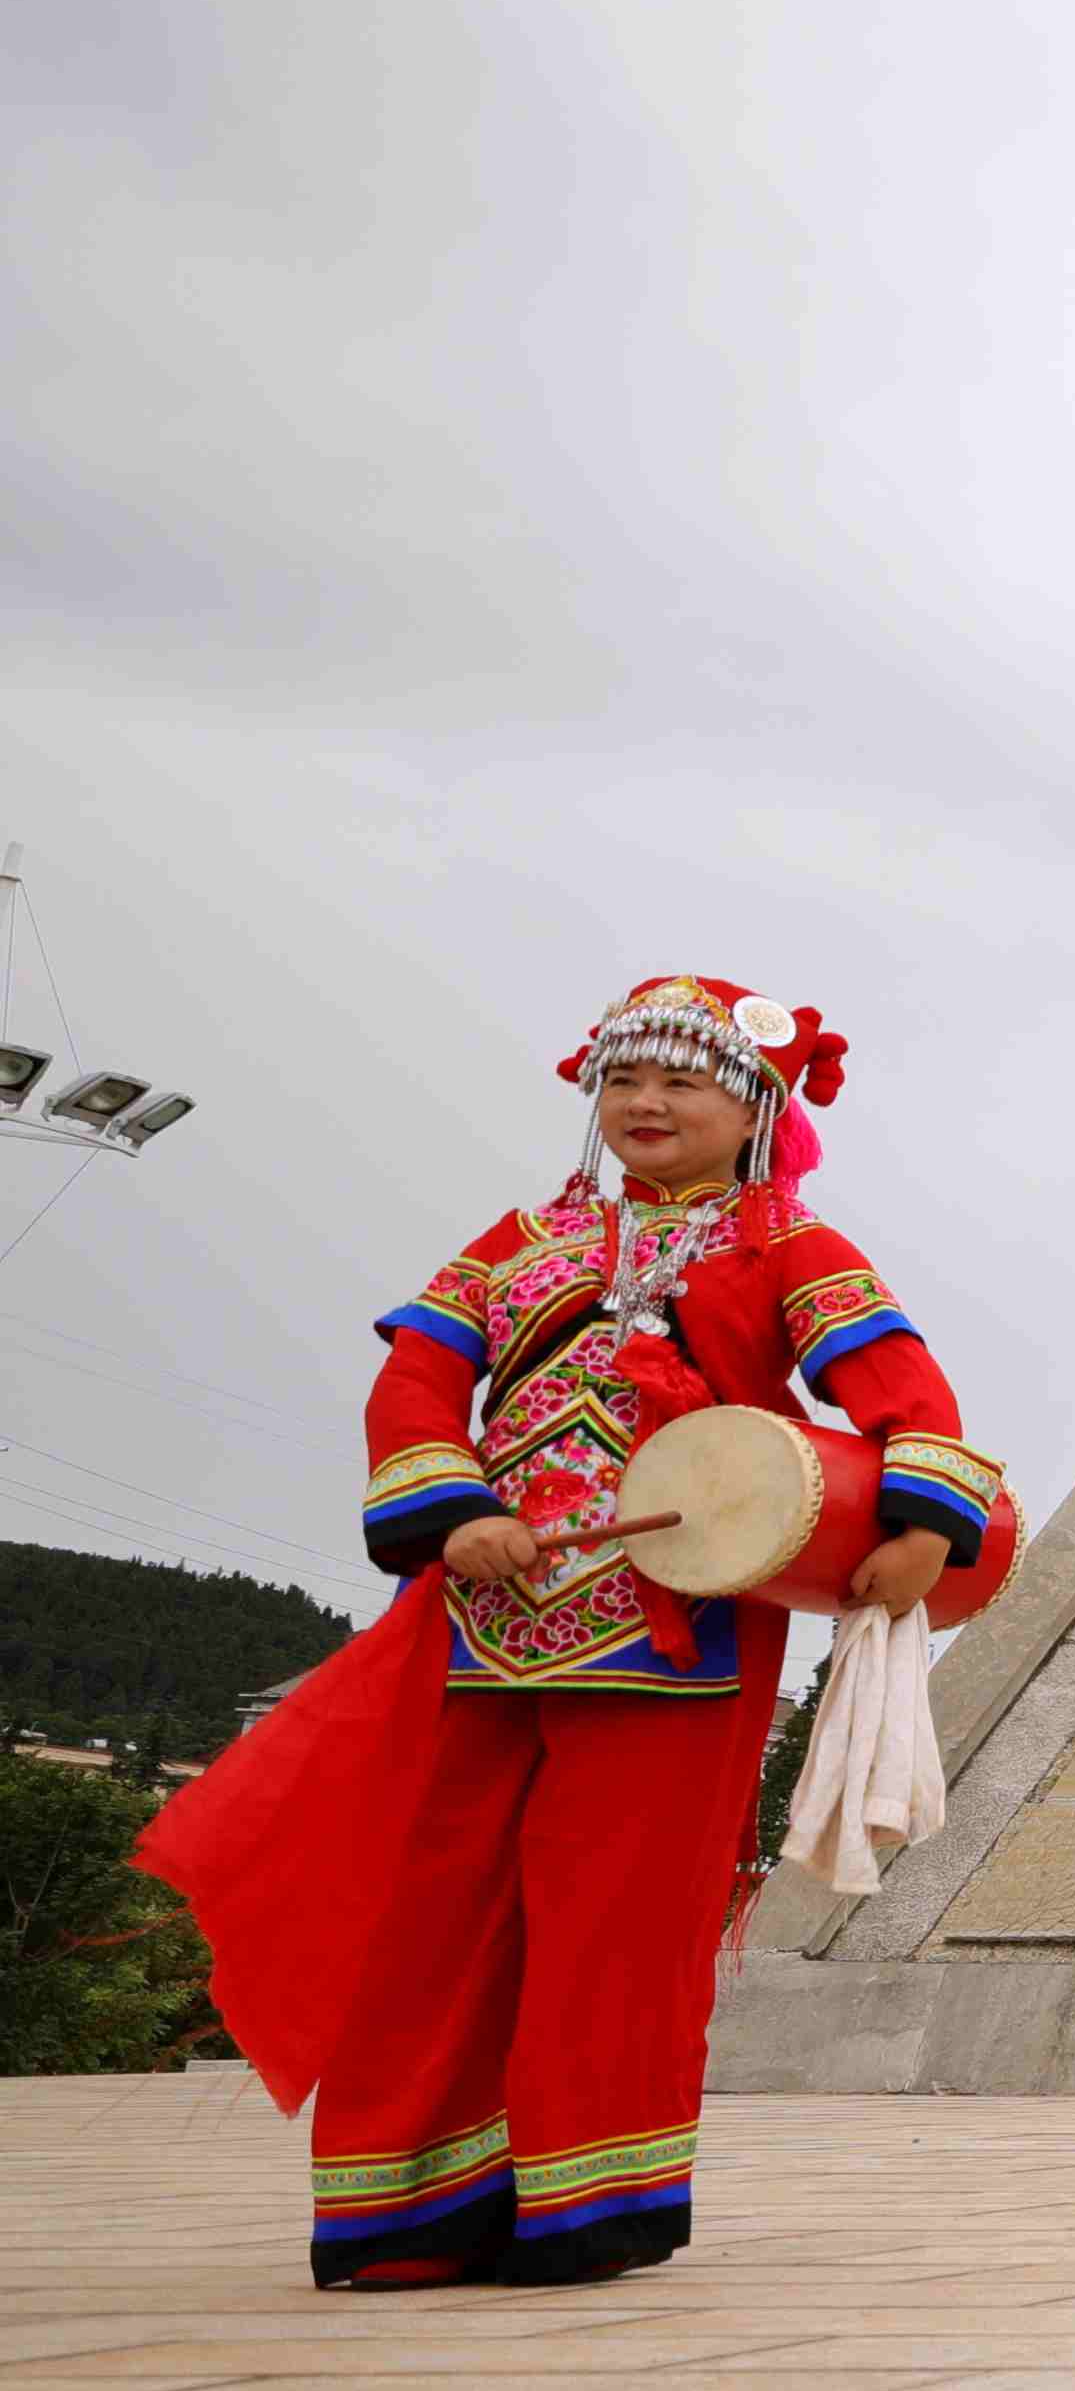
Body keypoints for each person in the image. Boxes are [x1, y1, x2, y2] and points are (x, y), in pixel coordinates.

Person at [145, 976, 1002, 2286]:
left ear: (756, 1103)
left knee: (620, 1919)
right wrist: (453, 1511)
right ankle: (411, 2212)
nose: (645, 1103)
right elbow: (418, 1380)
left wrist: (924, 1525)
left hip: (677, 1627)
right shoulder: (513, 1243)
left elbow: (905, 1395)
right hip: (484, 1612)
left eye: (682, 1080)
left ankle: (583, 2203)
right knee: (431, 1913)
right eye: (624, 1079)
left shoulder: (791, 1250)